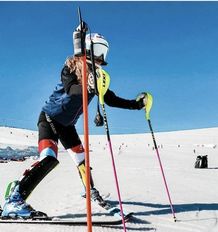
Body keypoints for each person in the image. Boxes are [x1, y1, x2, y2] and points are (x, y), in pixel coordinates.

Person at [1, 31, 149, 219]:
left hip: (67, 125)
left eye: (104, 52)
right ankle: (14, 200)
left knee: (81, 159)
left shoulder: (98, 76)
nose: (101, 57)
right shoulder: (70, 67)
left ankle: (90, 190)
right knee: (49, 159)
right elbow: (71, 89)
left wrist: (135, 105)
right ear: (87, 49)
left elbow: (110, 99)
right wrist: (89, 87)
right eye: (98, 50)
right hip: (50, 118)